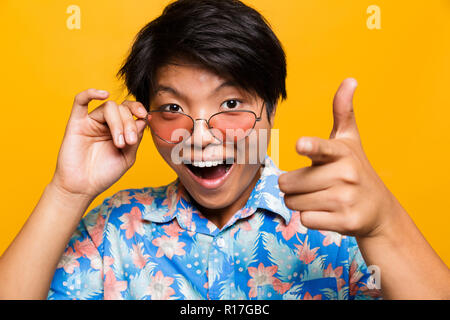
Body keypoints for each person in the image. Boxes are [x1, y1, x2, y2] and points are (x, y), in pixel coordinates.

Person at [0, 0, 449, 300]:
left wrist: (383, 225)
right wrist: (67, 191)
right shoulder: (113, 232)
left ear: (271, 108)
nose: (200, 135)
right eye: (172, 107)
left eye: (230, 104)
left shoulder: (340, 226)